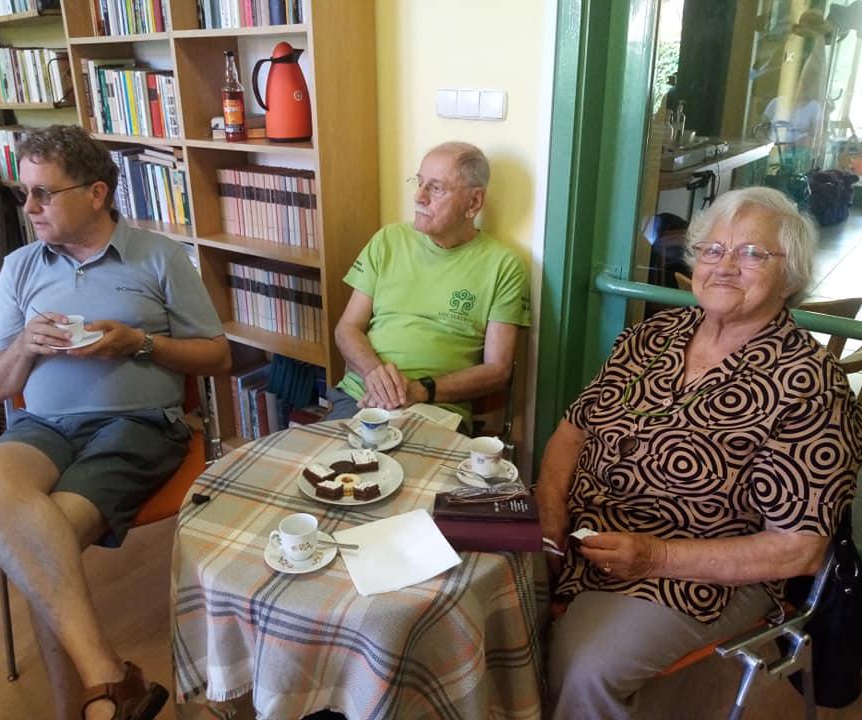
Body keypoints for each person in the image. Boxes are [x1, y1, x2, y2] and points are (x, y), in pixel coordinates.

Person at [536, 186, 862, 719]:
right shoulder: (653, 336)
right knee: (476, 592)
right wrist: (550, 515)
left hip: (699, 571)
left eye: (751, 253)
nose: (725, 266)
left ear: (791, 274)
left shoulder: (810, 385)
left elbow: (799, 548)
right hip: (582, 533)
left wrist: (653, 556)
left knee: (586, 666)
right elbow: (572, 431)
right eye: (713, 249)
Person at [0, 125, 231, 720]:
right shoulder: (20, 268)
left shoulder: (159, 256)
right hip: (43, 428)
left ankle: (81, 708)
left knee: (39, 537)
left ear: (96, 193)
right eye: (24, 193)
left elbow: (217, 357)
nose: (29, 208)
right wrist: (25, 346)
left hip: (139, 425)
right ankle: (109, 680)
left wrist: (138, 343)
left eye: (43, 193)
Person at [327, 141, 530, 430]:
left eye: (436, 188)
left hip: (437, 409)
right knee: (325, 459)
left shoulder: (504, 266)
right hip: (361, 397)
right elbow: (347, 328)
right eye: (419, 183)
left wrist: (421, 390)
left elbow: (498, 370)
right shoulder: (388, 241)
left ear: (473, 202)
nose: (419, 197)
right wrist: (374, 374)